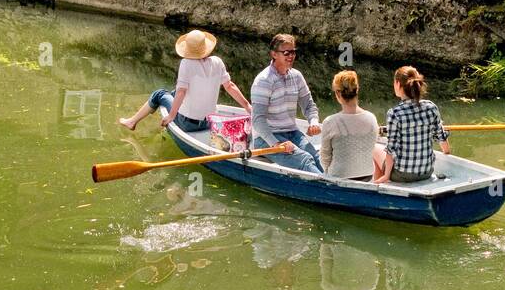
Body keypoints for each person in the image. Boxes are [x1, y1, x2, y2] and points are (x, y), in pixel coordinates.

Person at [118, 29, 250, 134]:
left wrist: (171, 116)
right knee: (175, 92)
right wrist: (247, 106)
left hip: (188, 124)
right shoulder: (217, 61)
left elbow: (182, 92)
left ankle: (132, 122)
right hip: (210, 123)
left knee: (159, 94)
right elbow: (230, 86)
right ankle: (140, 116)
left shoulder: (186, 63)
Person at [250, 34, 323, 174]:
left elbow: (309, 105)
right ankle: (329, 190)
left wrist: (313, 121)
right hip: (266, 138)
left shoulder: (296, 76)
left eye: (293, 52)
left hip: (292, 132)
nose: (291, 56)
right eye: (286, 52)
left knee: (317, 157)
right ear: (274, 54)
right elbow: (258, 119)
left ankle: (332, 184)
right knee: (305, 159)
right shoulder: (264, 80)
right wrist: (276, 144)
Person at [373, 65, 449, 184]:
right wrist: (447, 153)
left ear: (398, 84)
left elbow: (391, 149)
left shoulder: (395, 113)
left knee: (374, 148)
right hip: (427, 172)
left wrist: (387, 175)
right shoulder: (431, 107)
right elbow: (441, 136)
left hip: (402, 175)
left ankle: (377, 184)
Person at [320, 70, 379, 181]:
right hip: (367, 175)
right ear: (357, 90)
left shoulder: (330, 122)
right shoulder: (372, 118)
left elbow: (325, 157)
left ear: (338, 93)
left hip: (339, 177)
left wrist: (328, 171)